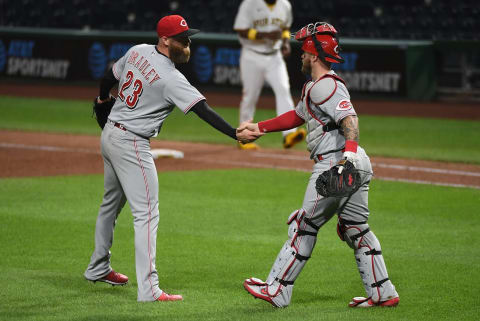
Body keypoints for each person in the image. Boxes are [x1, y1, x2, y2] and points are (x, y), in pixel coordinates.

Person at [84, 15, 260, 302]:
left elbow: (109, 76)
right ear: (165, 40)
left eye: (188, 37)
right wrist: (234, 134)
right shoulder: (170, 77)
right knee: (147, 214)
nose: (187, 43)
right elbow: (203, 110)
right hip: (131, 143)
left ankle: (98, 268)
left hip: (111, 136)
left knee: (110, 206)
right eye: (182, 38)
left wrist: (103, 99)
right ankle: (149, 289)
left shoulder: (138, 51)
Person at [240, 22, 399, 308]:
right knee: (355, 228)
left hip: (337, 162)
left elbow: (350, 121)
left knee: (303, 225)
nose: (300, 55)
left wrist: (345, 160)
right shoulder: (316, 86)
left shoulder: (326, 85)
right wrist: (259, 128)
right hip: (355, 163)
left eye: (303, 51)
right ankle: (382, 292)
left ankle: (278, 289)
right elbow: (297, 116)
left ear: (314, 55)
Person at [233, 0, 306, 150]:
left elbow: (285, 28)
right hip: (252, 55)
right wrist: (265, 34)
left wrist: (285, 42)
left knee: (283, 90)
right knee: (250, 96)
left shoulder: (284, 4)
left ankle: (289, 135)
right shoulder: (249, 3)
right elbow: (241, 29)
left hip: (274, 56)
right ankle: (243, 137)